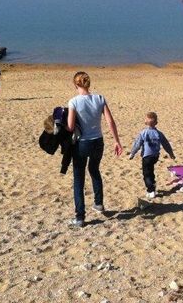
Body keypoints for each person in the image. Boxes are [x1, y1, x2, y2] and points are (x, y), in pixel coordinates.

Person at [66, 71, 123, 228]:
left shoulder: (73, 102)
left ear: (76, 84)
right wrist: (117, 141)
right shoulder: (99, 98)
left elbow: (70, 127)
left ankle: (80, 217)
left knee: (79, 178)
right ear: (88, 84)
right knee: (94, 170)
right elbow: (110, 122)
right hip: (98, 142)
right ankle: (98, 204)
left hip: (82, 144)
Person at [129, 112, 176, 199]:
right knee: (150, 171)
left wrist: (132, 153)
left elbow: (137, 144)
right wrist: (171, 153)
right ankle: (153, 183)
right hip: (155, 156)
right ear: (156, 123)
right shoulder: (158, 133)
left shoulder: (143, 133)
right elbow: (166, 144)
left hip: (147, 157)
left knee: (146, 174)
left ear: (145, 122)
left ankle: (151, 189)